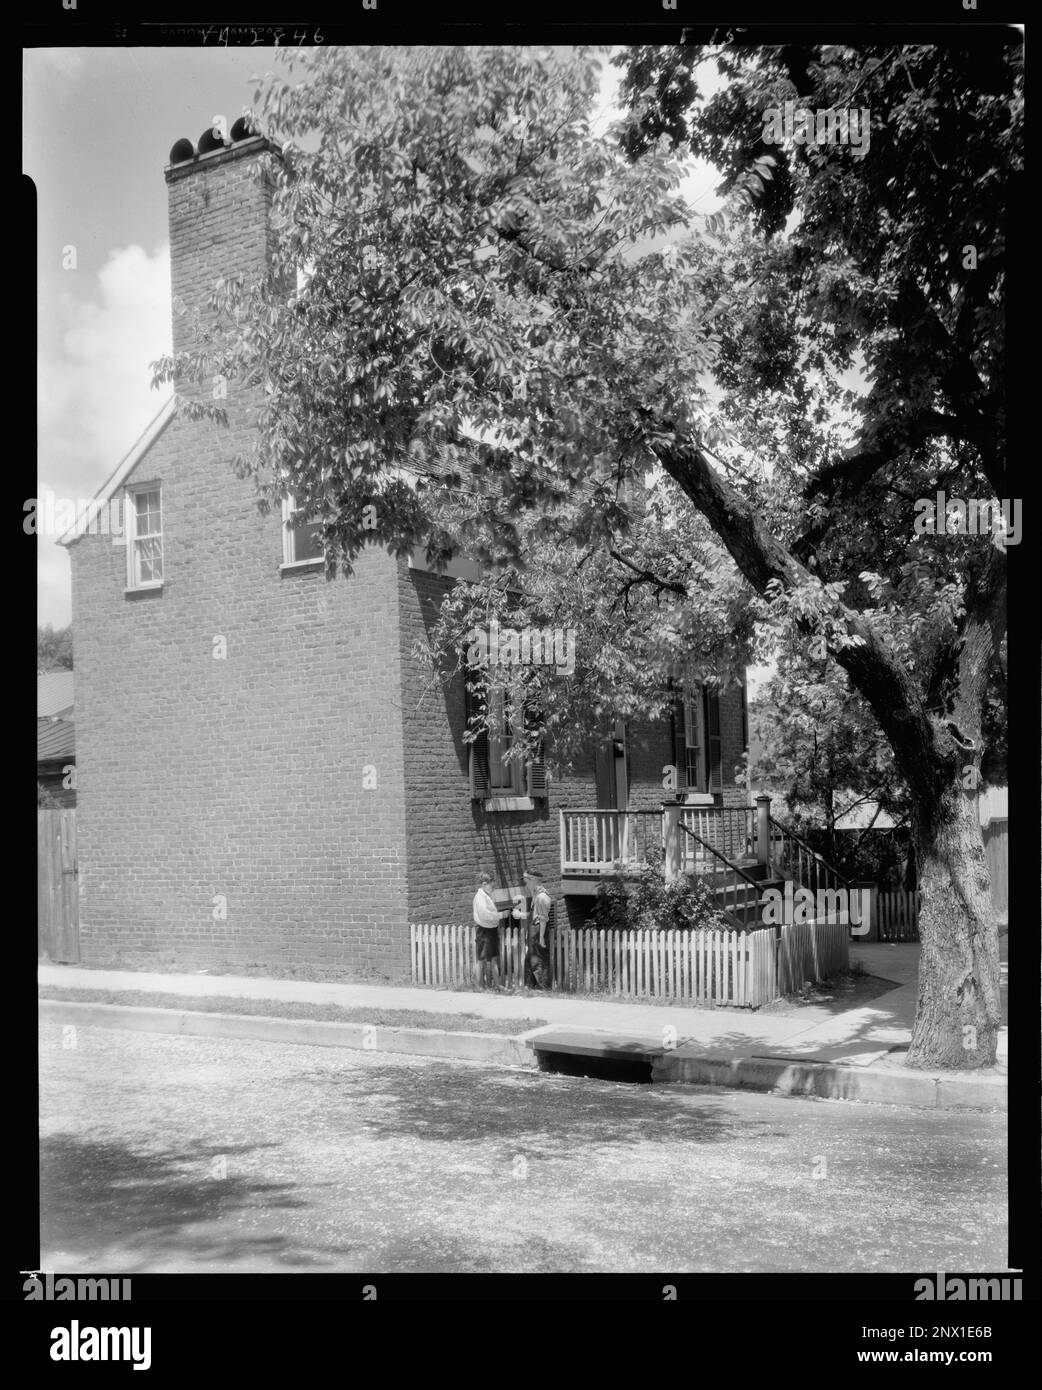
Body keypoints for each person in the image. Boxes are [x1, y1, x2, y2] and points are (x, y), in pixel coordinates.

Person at [522, 869, 553, 990]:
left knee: (539, 961)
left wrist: (541, 938)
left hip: (538, 931)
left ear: (534, 880)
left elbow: (543, 919)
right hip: (533, 930)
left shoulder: (542, 897)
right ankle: (530, 988)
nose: (525, 883)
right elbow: (534, 915)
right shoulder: (535, 894)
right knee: (530, 959)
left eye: (526, 880)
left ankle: (544, 989)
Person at [472, 870, 503, 989]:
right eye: (492, 885)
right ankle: (478, 986)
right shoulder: (480, 897)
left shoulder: (486, 896)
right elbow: (485, 915)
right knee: (482, 959)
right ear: (484, 884)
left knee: (494, 958)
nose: (494, 888)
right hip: (484, 931)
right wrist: (500, 916)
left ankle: (497, 985)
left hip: (492, 930)